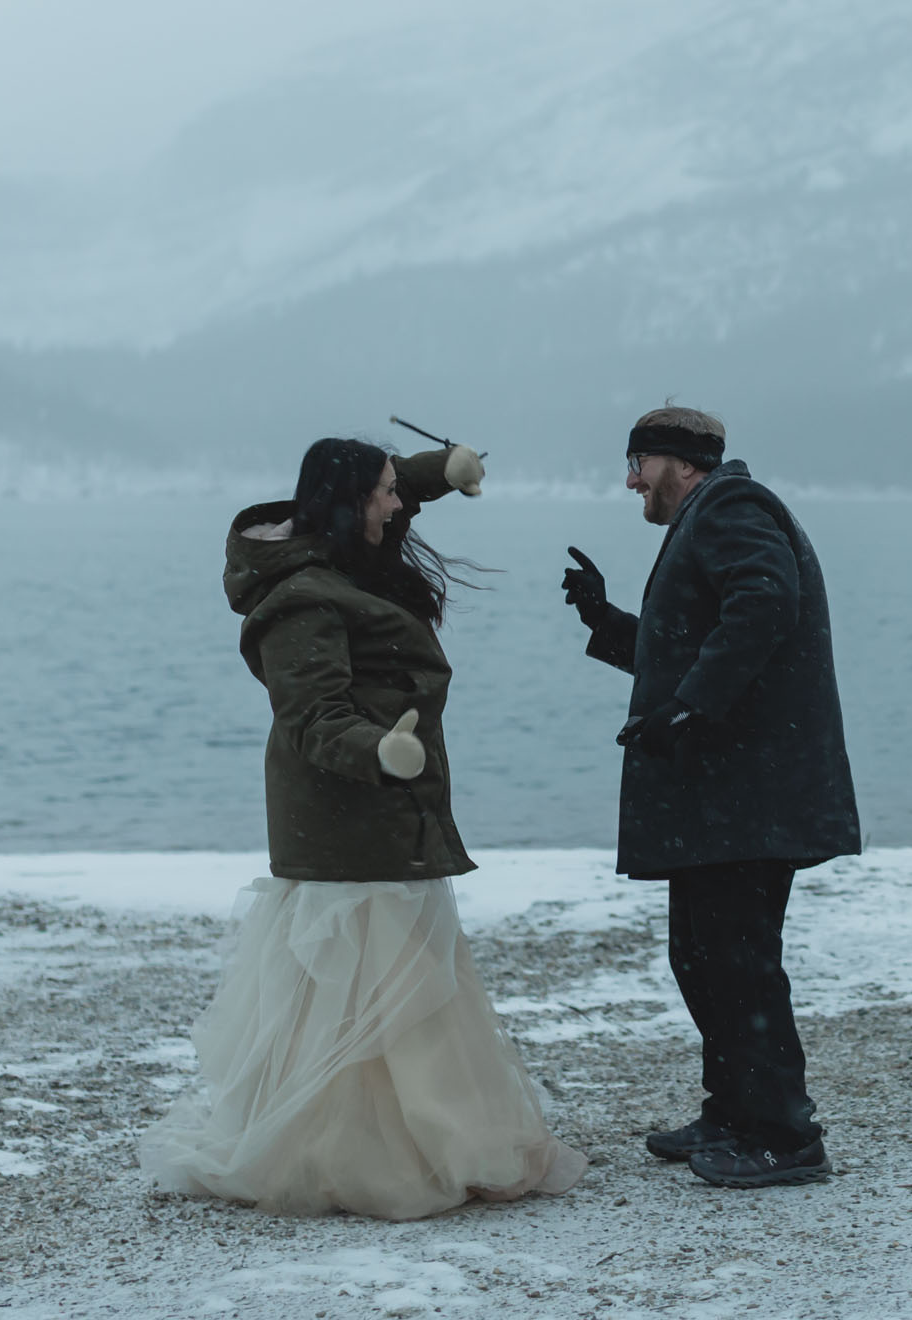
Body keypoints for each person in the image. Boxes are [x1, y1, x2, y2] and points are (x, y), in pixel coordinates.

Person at [140, 436, 585, 1219]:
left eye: (395, 491)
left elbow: (387, 483)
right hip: (348, 820)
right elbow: (312, 715)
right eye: (383, 494)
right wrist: (382, 751)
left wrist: (438, 471)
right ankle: (366, 1155)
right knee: (380, 997)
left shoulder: (341, 555)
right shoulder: (304, 598)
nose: (396, 505)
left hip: (386, 811)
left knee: (393, 991)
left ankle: (411, 1141)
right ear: (347, 506)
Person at [561, 406, 861, 1188]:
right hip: (726, 796)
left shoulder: (731, 506)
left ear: (678, 461)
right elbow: (690, 650)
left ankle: (786, 1137)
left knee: (739, 962)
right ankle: (731, 1111)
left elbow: (764, 604)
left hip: (749, 797)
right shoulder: (706, 513)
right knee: (702, 958)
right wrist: (604, 619)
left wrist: (694, 707)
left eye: (637, 463)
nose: (630, 482)